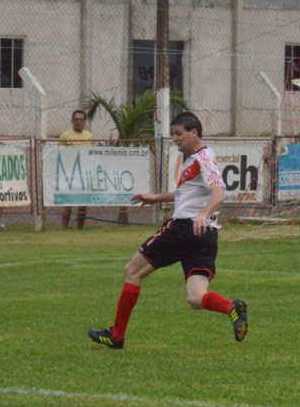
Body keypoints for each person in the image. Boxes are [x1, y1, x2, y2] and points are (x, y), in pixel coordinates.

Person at [88, 112, 248, 350]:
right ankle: (231, 308)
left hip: (185, 228)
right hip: (205, 235)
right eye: (173, 134)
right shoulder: (199, 156)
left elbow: (218, 192)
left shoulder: (202, 159)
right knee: (195, 297)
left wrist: (202, 214)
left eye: (178, 133)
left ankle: (117, 335)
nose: (174, 138)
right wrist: (156, 198)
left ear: (194, 133)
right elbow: (189, 192)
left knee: (132, 270)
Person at [59, 109, 92, 230]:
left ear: (85, 122)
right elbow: (60, 154)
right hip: (70, 174)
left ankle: (80, 230)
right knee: (68, 203)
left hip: (85, 174)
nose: (78, 122)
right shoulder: (65, 135)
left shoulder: (89, 135)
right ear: (72, 121)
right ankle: (64, 229)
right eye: (76, 119)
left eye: (81, 119)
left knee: (83, 204)